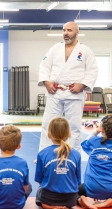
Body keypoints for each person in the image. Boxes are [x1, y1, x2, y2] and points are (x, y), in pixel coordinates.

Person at [38, 21, 98, 152]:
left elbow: (92, 70)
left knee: (74, 126)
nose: (65, 33)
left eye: (69, 30)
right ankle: (44, 153)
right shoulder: (55, 48)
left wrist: (82, 85)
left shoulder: (85, 51)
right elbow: (44, 66)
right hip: (55, 91)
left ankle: (73, 153)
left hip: (74, 93)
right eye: (64, 30)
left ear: (77, 32)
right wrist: (46, 82)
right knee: (48, 123)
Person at [77, 115, 112, 209]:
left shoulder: (94, 141)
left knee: (73, 191)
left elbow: (84, 143)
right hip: (110, 190)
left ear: (102, 129)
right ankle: (109, 201)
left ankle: (81, 199)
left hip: (90, 187)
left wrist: (95, 131)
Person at [35, 118, 81, 209]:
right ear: (68, 134)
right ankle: (66, 206)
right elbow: (78, 180)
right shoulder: (76, 154)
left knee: (39, 192)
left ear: (49, 134)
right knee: (77, 192)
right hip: (70, 199)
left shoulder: (42, 154)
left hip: (49, 199)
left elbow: (39, 180)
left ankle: (51, 206)